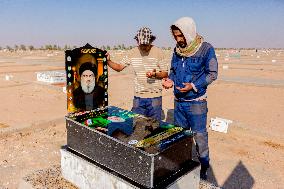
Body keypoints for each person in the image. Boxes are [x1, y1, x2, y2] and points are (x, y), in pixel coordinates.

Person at [162, 17, 218, 180]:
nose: (178, 40)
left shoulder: (206, 49)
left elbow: (212, 74)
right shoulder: (176, 51)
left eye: (181, 36)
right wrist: (170, 80)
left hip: (196, 103)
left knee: (199, 137)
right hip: (179, 103)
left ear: (189, 33)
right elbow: (173, 70)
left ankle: (204, 167)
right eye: (175, 36)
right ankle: (183, 166)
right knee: (181, 136)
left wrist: (193, 86)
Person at [107, 27, 168, 120]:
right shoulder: (132, 52)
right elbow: (119, 67)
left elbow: (165, 73)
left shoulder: (159, 52)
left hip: (155, 97)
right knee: (137, 125)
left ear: (151, 41)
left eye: (146, 44)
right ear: (137, 41)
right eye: (142, 44)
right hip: (138, 98)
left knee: (155, 126)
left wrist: (155, 74)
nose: (144, 47)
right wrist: (108, 61)